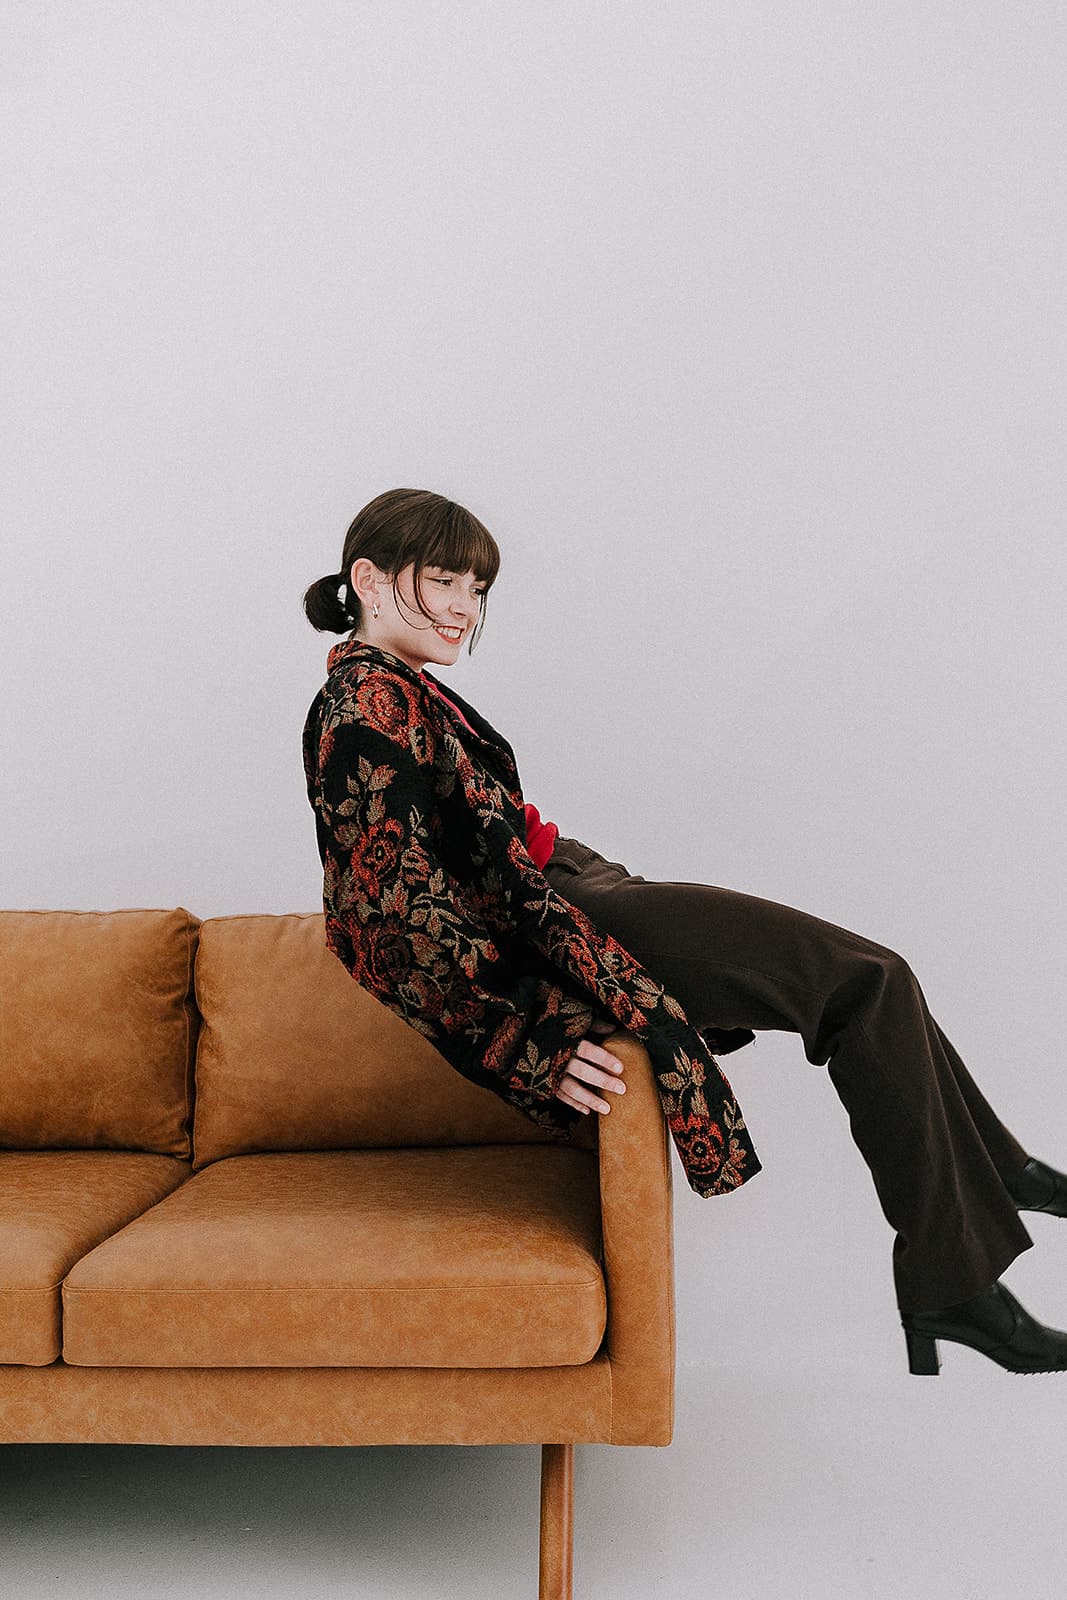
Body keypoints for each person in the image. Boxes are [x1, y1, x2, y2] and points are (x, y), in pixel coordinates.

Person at [302, 488, 1067, 1377]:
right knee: (864, 981)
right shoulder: (362, 707)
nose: (466, 610)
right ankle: (956, 1276)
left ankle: (985, 1195)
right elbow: (379, 917)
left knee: (867, 981)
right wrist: (522, 1031)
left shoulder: (398, 692)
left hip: (579, 891)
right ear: (367, 578)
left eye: (477, 589)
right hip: (571, 923)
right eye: (444, 582)